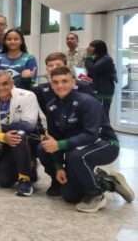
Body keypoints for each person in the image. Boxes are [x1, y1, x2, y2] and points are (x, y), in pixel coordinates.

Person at [38, 66, 133, 212]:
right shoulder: (52, 107)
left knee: (77, 156)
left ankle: (96, 196)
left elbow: (91, 135)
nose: (60, 85)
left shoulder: (88, 102)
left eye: (64, 81)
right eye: (55, 82)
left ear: (73, 82)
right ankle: (109, 182)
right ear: (51, 84)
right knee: (70, 196)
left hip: (105, 144)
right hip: (76, 147)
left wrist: (61, 144)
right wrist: (58, 167)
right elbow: (54, 139)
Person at [0, 70, 40, 196]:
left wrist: (4, 128)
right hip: (5, 142)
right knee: (4, 182)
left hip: (29, 141)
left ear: (12, 83)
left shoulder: (28, 96)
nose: (1, 88)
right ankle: (28, 167)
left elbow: (29, 125)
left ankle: (25, 179)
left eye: (4, 84)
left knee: (19, 134)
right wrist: (2, 136)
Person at [34, 52, 95, 117]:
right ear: (46, 68)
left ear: (66, 67)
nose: (54, 68)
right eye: (50, 66)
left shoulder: (83, 86)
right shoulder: (40, 89)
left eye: (58, 65)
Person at [84, 39, 117, 113]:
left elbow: (92, 69)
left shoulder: (106, 59)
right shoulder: (97, 58)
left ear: (98, 48)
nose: (88, 48)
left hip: (104, 91)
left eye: (91, 46)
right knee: (96, 112)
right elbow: (93, 74)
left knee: (103, 113)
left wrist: (88, 56)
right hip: (98, 89)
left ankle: (105, 125)